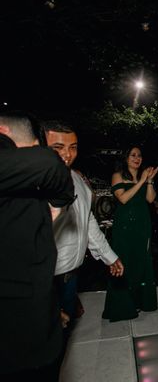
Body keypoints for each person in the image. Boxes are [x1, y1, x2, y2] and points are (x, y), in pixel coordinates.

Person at [0, 112, 75, 381]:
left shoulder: (20, 185)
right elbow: (47, 163)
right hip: (17, 336)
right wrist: (58, 200)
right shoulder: (39, 166)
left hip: (36, 301)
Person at [43, 121, 124, 367]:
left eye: (73, 147)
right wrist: (40, 303)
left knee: (59, 347)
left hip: (69, 276)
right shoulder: (31, 185)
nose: (67, 154)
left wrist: (109, 255)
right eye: (58, 147)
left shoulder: (77, 180)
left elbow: (87, 221)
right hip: (42, 282)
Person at [102, 147, 158, 322]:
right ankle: (123, 305)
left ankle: (141, 301)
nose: (137, 158)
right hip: (125, 226)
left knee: (141, 261)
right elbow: (123, 198)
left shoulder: (142, 177)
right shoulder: (118, 175)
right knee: (125, 261)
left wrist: (149, 181)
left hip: (143, 224)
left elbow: (150, 199)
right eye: (133, 155)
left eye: (139, 155)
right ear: (125, 158)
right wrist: (141, 181)